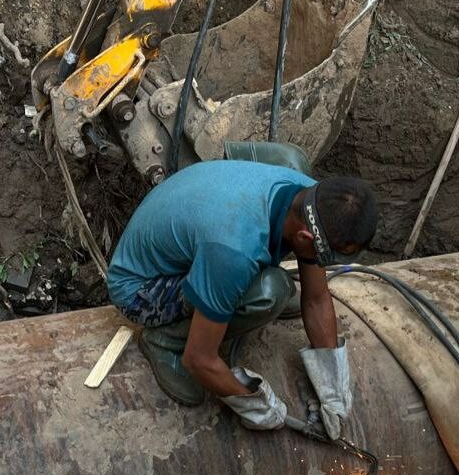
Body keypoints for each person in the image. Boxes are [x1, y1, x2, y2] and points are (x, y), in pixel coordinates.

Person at [108, 159, 379, 437]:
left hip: (200, 237)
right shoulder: (233, 250)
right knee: (270, 292)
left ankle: (230, 292)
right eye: (326, 257)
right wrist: (256, 405)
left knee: (277, 285)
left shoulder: (312, 197)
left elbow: (316, 299)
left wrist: (333, 388)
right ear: (304, 236)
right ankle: (166, 341)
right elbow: (199, 359)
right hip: (140, 290)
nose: (324, 264)